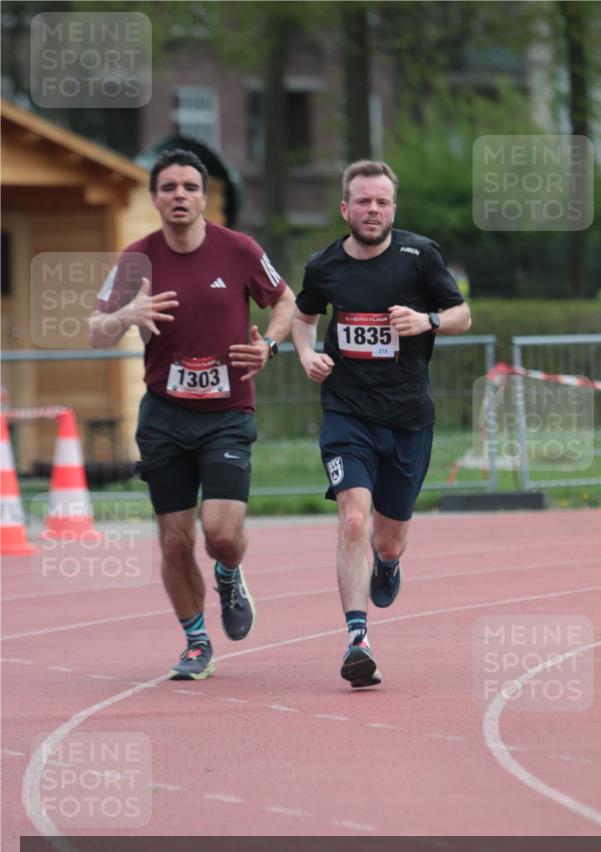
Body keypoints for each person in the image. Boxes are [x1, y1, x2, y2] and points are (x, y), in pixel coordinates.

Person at [89, 149, 295, 680]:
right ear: (155, 198)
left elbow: (286, 302)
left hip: (226, 413)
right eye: (168, 187)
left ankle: (229, 574)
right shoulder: (136, 259)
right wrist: (127, 313)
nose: (179, 195)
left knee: (220, 533)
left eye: (189, 187)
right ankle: (196, 642)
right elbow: (95, 329)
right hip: (164, 416)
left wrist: (270, 347)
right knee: (175, 540)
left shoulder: (240, 249)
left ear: (204, 198)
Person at [291, 160, 471, 689]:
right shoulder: (323, 265)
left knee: (387, 541)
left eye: (382, 202)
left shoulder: (420, 256)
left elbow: (462, 314)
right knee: (352, 518)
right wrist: (305, 355)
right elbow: (304, 319)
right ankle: (357, 639)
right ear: (345, 208)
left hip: (409, 419)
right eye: (363, 202)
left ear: (394, 208)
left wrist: (428, 320)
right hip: (347, 413)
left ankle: (388, 565)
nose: (373, 210)